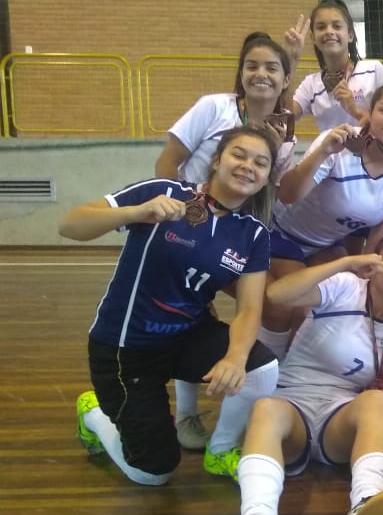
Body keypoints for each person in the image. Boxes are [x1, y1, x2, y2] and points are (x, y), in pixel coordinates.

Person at [196, 230, 383, 515]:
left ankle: (364, 510)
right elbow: (276, 294)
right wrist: (346, 262)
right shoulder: (344, 284)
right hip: (295, 405)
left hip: (341, 416)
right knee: (266, 407)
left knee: (377, 401)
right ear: (375, 260)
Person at [62, 126, 281, 485]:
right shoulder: (163, 192)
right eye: (238, 155)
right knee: (152, 473)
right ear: (216, 160)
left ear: (267, 176)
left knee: (262, 368)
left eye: (260, 162)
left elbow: (248, 309)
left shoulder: (253, 234)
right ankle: (95, 413)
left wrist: (235, 357)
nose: (247, 166)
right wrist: (136, 212)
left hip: (183, 340)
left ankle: (221, 450)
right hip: (123, 349)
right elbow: (69, 225)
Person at [154, 31, 297, 451]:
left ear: (285, 79)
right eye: (252, 66)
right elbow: (168, 162)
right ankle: (186, 413)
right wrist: (177, 211)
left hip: (237, 236)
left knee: (256, 307)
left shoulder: (283, 129)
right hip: (186, 228)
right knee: (190, 312)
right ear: (240, 72)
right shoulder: (213, 107)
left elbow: (268, 189)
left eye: (272, 68)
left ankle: (249, 384)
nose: (261, 75)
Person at [259, 81, 383, 361]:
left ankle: (307, 370)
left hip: (327, 244)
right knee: (298, 305)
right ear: (370, 113)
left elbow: (381, 230)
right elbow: (289, 195)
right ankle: (270, 369)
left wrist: (363, 270)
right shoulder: (338, 142)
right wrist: (322, 152)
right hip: (282, 233)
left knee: (335, 299)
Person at [288, 0, 383, 132]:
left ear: (350, 35)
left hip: (369, 151)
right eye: (321, 27)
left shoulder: (373, 70)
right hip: (328, 151)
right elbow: (287, 116)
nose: (329, 31)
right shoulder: (311, 84)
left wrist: (354, 110)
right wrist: (291, 61)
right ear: (313, 38)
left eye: (337, 26)